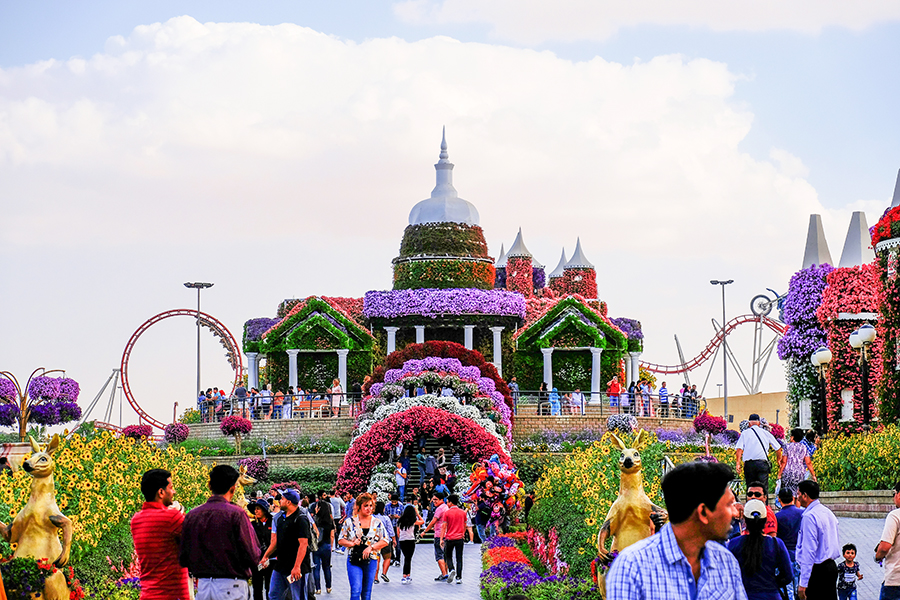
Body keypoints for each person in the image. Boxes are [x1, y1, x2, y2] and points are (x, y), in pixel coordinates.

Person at [606, 462, 747, 600]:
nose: (735, 513)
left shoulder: (726, 561)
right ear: (703, 513)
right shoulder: (632, 567)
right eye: (729, 505)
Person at [180, 465, 260, 600]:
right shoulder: (237, 514)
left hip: (204, 587)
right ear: (233, 488)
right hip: (232, 586)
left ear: (210, 486)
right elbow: (252, 554)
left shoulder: (193, 515)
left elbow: (184, 557)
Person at [131, 468, 190, 600]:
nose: (174, 492)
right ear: (161, 492)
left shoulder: (136, 520)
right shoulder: (172, 518)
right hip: (172, 595)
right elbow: (193, 542)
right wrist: (180, 511)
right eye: (171, 487)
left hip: (148, 594)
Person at [727, 499, 793, 600]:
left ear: (744, 519)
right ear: (765, 519)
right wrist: (772, 583)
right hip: (771, 595)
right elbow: (788, 575)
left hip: (744, 595)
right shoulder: (776, 544)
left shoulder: (734, 544)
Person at [259, 489, 310, 600]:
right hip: (281, 566)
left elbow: (303, 544)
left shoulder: (301, 519)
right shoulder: (280, 519)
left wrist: (297, 567)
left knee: (298, 597)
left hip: (296, 567)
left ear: (289, 502)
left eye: (282, 499)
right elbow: (275, 542)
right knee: (273, 595)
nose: (279, 501)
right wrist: (265, 556)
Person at [338, 493, 389, 600]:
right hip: (354, 559)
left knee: (366, 593)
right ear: (359, 506)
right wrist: (351, 543)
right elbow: (341, 539)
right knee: (356, 590)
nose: (368, 509)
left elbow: (385, 540)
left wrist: (371, 547)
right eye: (366, 506)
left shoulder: (377, 523)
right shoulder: (350, 522)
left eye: (371, 506)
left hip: (371, 559)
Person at [796, 480, 840, 600]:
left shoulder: (809, 517)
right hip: (830, 567)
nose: (797, 497)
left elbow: (809, 551)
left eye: (799, 493)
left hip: (817, 571)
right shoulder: (827, 512)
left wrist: (803, 583)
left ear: (805, 495)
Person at [735, 413, 783, 489]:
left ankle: (751, 500)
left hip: (749, 464)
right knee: (763, 488)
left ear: (749, 423)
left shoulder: (745, 433)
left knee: (750, 487)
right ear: (759, 423)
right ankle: (763, 500)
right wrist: (778, 460)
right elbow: (778, 448)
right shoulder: (766, 433)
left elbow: (739, 449)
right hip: (762, 464)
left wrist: (738, 463)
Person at [776, 488, 804, 600]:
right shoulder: (803, 514)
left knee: (787, 589)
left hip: (785, 555)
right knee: (800, 586)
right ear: (793, 498)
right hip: (800, 554)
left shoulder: (777, 517)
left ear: (779, 499)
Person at [875, 480, 900, 600]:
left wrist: (878, 556)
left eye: (894, 493)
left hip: (896, 581)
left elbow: (884, 547)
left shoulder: (895, 515)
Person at [421, 492, 451, 581]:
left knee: (439, 555)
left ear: (441, 500)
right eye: (433, 499)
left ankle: (444, 574)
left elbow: (433, 521)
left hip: (439, 534)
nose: (434, 501)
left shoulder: (439, 509)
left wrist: (425, 531)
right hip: (446, 534)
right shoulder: (446, 507)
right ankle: (445, 573)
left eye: (436, 499)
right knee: (445, 555)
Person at [780, 429, 816, 498]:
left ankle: (791, 507)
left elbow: (784, 461)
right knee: (798, 493)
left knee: (789, 493)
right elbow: (808, 463)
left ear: (793, 437)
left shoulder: (787, 446)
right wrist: (813, 475)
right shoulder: (804, 447)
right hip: (800, 472)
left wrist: (780, 473)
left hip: (788, 472)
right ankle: (797, 508)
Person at [440, 494, 467, 585]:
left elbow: (444, 526)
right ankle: (459, 577)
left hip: (449, 538)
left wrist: (441, 539)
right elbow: (464, 525)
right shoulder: (463, 512)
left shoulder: (447, 513)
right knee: (459, 558)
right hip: (460, 538)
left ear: (451, 503)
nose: (447, 504)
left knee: (448, 556)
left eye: (447, 502)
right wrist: (463, 534)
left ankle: (451, 569)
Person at [250, 501, 274, 600]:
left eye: (258, 509)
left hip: (271, 559)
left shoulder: (273, 522)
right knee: (257, 587)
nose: (256, 511)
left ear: (264, 510)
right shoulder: (252, 525)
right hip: (257, 560)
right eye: (255, 509)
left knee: (270, 587)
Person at [397, 504, 424, 585]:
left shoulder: (400, 520)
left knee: (406, 558)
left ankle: (407, 575)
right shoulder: (413, 521)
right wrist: (418, 513)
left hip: (402, 540)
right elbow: (422, 521)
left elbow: (398, 532)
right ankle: (405, 576)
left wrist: (400, 538)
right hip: (410, 540)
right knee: (408, 558)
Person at [313, 498, 335, 595]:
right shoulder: (330, 521)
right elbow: (332, 535)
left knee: (316, 567)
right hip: (326, 545)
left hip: (316, 546)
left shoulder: (314, 521)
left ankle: (318, 588)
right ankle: (329, 587)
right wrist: (331, 546)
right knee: (326, 567)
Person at [373, 501, 395, 583]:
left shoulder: (372, 518)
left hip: (375, 540)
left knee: (376, 559)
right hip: (385, 540)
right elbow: (390, 530)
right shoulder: (386, 518)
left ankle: (375, 577)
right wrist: (394, 539)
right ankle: (384, 573)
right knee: (387, 557)